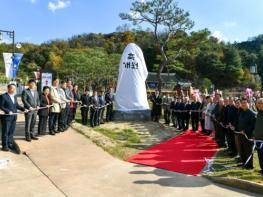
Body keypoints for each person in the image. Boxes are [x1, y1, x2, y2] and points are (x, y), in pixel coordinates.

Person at [0, 84, 27, 151]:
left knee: (11, 132)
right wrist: (7, 111)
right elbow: (1, 106)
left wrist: (24, 109)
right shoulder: (3, 96)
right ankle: (5, 146)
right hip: (6, 118)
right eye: (12, 88)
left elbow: (16, 105)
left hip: (14, 117)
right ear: (8, 88)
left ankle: (9, 144)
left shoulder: (14, 96)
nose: (14, 90)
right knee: (5, 132)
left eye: (15, 89)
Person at [237, 97, 256, 169]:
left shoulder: (251, 113)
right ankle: (244, 163)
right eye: (242, 103)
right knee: (242, 150)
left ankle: (249, 165)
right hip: (240, 134)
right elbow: (239, 122)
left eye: (245, 103)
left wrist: (245, 131)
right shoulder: (241, 112)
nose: (243, 104)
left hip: (248, 135)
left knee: (248, 150)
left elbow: (252, 125)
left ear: (248, 103)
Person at [253, 98, 263, 174]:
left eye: (261, 103)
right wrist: (254, 135)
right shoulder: (258, 113)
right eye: (258, 103)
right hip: (258, 139)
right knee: (260, 155)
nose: (259, 104)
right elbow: (256, 126)